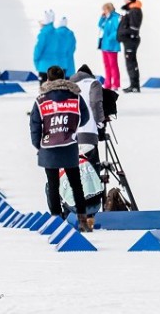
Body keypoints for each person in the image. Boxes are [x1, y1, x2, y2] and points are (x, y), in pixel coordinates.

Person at [30, 66, 91, 231]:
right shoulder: (75, 98)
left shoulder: (41, 100)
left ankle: (57, 219)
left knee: (53, 184)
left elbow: (35, 125)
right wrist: (70, 129)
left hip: (48, 147)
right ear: (64, 79)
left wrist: (39, 144)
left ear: (48, 80)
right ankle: (83, 221)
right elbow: (84, 117)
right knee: (76, 184)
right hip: (69, 145)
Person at [69, 64, 104, 168]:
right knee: (91, 166)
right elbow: (95, 103)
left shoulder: (68, 86)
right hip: (88, 130)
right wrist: (100, 122)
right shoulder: (93, 83)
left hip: (69, 134)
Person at [56, 156, 104, 231]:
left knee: (52, 188)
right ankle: (90, 216)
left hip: (79, 208)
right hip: (97, 205)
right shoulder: (85, 160)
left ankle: (62, 217)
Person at [117, 0, 143, 93]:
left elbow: (134, 28)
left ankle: (135, 86)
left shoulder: (134, 11)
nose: (124, 0)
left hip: (131, 40)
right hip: (128, 40)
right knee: (130, 63)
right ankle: (133, 85)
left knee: (131, 63)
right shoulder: (130, 10)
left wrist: (123, 32)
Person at [98, 2, 121, 90]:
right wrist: (102, 17)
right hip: (105, 46)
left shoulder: (115, 18)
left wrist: (109, 38)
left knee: (113, 65)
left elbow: (117, 30)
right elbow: (100, 25)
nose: (104, 11)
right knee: (106, 65)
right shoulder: (106, 18)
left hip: (112, 46)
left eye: (105, 9)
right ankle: (108, 83)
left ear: (109, 9)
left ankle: (115, 83)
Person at [33, 10, 59, 84]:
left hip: (44, 67)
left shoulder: (43, 34)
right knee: (54, 90)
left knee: (44, 91)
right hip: (55, 67)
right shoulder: (56, 33)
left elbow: (38, 50)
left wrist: (36, 63)